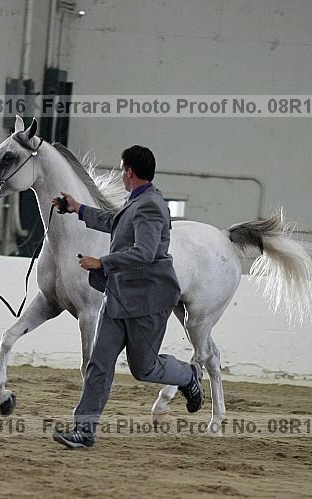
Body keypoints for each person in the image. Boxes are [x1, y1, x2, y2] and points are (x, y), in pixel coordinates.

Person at [50, 145, 204, 449]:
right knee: (99, 364)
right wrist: (78, 208)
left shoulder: (151, 206)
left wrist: (102, 262)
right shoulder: (136, 201)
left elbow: (144, 252)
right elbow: (115, 223)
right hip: (118, 296)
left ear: (129, 171)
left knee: (144, 368)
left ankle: (188, 376)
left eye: (122, 169)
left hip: (147, 302)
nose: (121, 174)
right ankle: (84, 430)